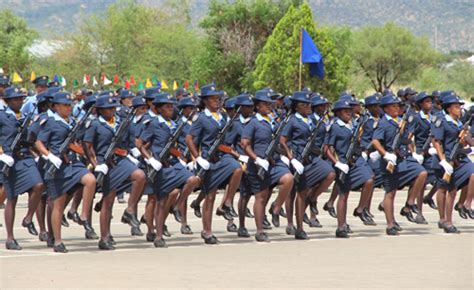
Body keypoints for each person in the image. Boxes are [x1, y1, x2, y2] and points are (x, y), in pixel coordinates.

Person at [35, 92, 97, 253]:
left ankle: (83, 215)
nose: (68, 108)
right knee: (58, 204)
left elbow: (74, 143)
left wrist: (85, 154)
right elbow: (39, 143)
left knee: (90, 180)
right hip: (57, 166)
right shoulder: (50, 122)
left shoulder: (71, 122)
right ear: (55, 107)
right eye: (65, 105)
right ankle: (57, 241)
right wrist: (49, 156)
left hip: (71, 162)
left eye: (69, 105)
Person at [83, 94, 146, 250]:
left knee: (140, 176)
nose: (112, 110)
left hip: (120, 160)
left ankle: (130, 210)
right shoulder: (95, 124)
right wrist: (95, 163)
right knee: (108, 200)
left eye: (113, 108)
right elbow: (87, 145)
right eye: (108, 108)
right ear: (100, 110)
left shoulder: (120, 122)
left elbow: (127, 141)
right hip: (104, 163)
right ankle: (105, 237)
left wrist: (132, 152)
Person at [138, 93, 199, 247]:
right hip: (160, 166)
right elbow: (141, 145)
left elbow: (173, 147)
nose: (171, 109)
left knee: (193, 179)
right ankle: (158, 236)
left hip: (173, 163)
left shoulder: (174, 124)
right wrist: (150, 159)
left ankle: (178, 205)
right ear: (158, 109)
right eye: (167, 106)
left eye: (172, 106)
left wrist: (182, 159)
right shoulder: (152, 124)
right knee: (161, 202)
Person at [186, 84, 243, 244]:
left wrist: (233, 153)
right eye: (213, 99)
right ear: (205, 101)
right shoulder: (201, 118)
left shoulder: (223, 117)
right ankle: (207, 231)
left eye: (218, 99)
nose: (217, 102)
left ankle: (227, 202)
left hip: (221, 157)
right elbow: (189, 139)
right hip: (207, 159)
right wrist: (197, 158)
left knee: (237, 168)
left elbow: (224, 141)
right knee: (210, 195)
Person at [280, 91, 335, 239]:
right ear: (297, 107)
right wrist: (291, 158)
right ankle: (298, 228)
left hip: (311, 158)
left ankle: (313, 198)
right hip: (298, 159)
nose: (308, 107)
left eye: (309, 104)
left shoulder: (311, 120)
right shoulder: (292, 120)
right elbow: (283, 140)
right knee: (298, 193)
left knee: (330, 173)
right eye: (305, 105)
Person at [240, 90, 294, 242]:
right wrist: (256, 159)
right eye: (265, 104)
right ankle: (259, 231)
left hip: (274, 162)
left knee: (288, 179)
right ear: (257, 106)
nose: (268, 106)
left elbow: (280, 141)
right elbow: (244, 144)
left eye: (270, 104)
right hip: (258, 165)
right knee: (261, 197)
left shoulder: (273, 121)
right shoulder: (253, 123)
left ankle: (276, 207)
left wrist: (286, 154)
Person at [372, 94, 428, 235]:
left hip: (404, 158)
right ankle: (390, 225)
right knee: (390, 193)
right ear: (385, 108)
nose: (397, 108)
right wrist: (385, 154)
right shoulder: (383, 123)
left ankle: (409, 204)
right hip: (390, 160)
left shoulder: (400, 121)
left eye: (398, 106)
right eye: (393, 106)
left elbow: (407, 140)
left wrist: (413, 152)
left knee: (422, 173)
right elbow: (375, 141)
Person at [1, 87, 45, 250]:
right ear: (7, 101)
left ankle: (28, 217)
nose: (19, 102)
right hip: (8, 160)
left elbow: (30, 139)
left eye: (21, 99)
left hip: (25, 157)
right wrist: (2, 154)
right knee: (11, 198)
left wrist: (39, 154)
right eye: (15, 99)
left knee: (39, 185)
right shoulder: (2, 116)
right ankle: (10, 238)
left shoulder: (25, 117)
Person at [324, 100, 374, 238]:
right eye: (345, 111)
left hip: (357, 160)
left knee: (369, 180)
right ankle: (341, 227)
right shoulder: (335, 127)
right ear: (338, 113)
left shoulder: (354, 125)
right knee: (343, 195)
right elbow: (327, 148)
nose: (349, 113)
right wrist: (337, 163)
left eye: (350, 110)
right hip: (344, 162)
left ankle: (360, 209)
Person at [431, 93, 474, 232]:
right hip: (444, 160)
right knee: (446, 190)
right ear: (448, 108)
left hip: (459, 159)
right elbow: (436, 141)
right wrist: (443, 161)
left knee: (470, 175)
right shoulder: (441, 120)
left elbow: (466, 138)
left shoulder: (460, 122)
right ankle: (444, 220)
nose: (459, 109)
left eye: (460, 106)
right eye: (456, 107)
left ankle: (466, 204)